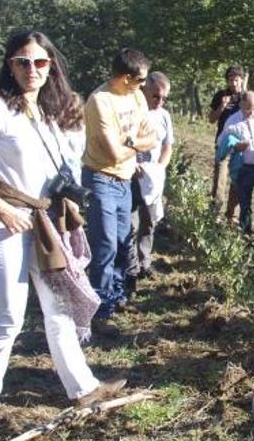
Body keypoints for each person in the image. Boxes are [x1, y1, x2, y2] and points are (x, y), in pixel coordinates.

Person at [0, 31, 127, 428]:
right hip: (5, 223)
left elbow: (67, 163)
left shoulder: (52, 114)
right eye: (22, 61)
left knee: (59, 309)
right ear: (9, 65)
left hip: (45, 224)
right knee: (9, 315)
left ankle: (83, 388)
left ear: (52, 66)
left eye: (40, 62)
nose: (32, 69)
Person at [81, 48, 157, 336]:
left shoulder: (136, 96)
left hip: (125, 180)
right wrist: (135, 145)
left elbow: (152, 137)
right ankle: (99, 309)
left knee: (123, 242)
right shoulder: (100, 101)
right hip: (100, 178)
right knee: (105, 245)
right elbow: (112, 154)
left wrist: (130, 142)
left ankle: (114, 298)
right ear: (126, 78)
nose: (144, 87)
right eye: (140, 81)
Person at [126, 72, 173, 288]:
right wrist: (131, 163)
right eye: (156, 96)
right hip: (131, 174)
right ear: (144, 90)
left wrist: (160, 167)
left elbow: (167, 146)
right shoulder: (131, 110)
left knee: (149, 221)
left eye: (164, 98)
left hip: (153, 177)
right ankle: (131, 268)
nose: (160, 102)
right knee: (131, 223)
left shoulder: (163, 116)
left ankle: (145, 262)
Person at [220, 90, 254, 239]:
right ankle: (245, 232)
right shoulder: (232, 120)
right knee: (245, 202)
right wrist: (235, 146)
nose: (251, 112)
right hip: (243, 168)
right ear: (241, 104)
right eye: (248, 108)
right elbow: (222, 142)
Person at [208, 66, 246, 222]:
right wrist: (222, 106)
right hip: (223, 144)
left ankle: (232, 216)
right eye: (230, 79)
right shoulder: (220, 95)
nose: (233, 83)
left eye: (236, 79)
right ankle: (214, 215)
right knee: (219, 181)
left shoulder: (246, 97)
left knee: (237, 181)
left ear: (242, 80)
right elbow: (211, 119)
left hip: (241, 145)